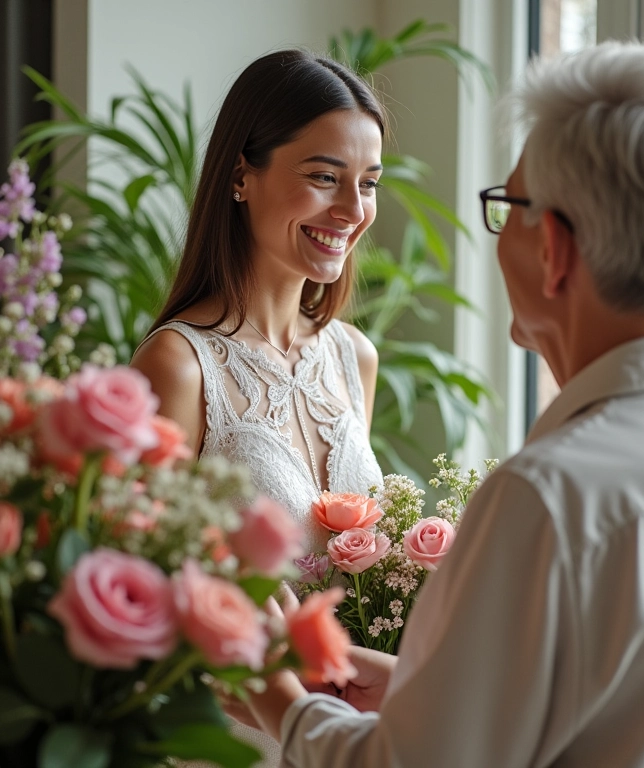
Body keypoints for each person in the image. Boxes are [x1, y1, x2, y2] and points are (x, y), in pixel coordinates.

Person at [240, 41, 644, 767]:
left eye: (508, 205)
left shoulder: (546, 499)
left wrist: (282, 705)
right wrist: (421, 691)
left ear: (550, 247)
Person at [131, 49, 387, 767]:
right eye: (322, 177)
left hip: (340, 736)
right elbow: (150, 615)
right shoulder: (178, 367)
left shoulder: (352, 357)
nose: (352, 210)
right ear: (242, 175)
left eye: (367, 183)